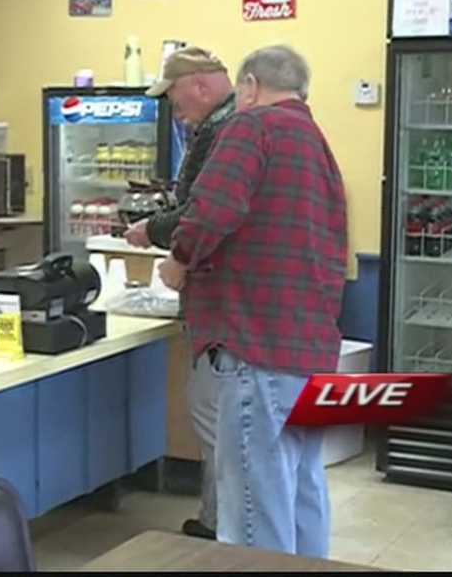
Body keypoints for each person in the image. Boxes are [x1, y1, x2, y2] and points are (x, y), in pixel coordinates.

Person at [159, 45, 347, 558]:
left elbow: (211, 210)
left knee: (251, 504)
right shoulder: (315, 140)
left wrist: (178, 261)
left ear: (248, 86)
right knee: (300, 488)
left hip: (256, 343)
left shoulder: (253, 126)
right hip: (308, 346)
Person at [126, 45, 236, 541]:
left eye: (173, 95)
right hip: (233, 310)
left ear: (198, 84)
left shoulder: (226, 132)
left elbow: (201, 216)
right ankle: (221, 519)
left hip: (222, 310)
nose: (174, 107)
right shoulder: (225, 127)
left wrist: (154, 232)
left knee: (214, 420)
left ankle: (217, 525)